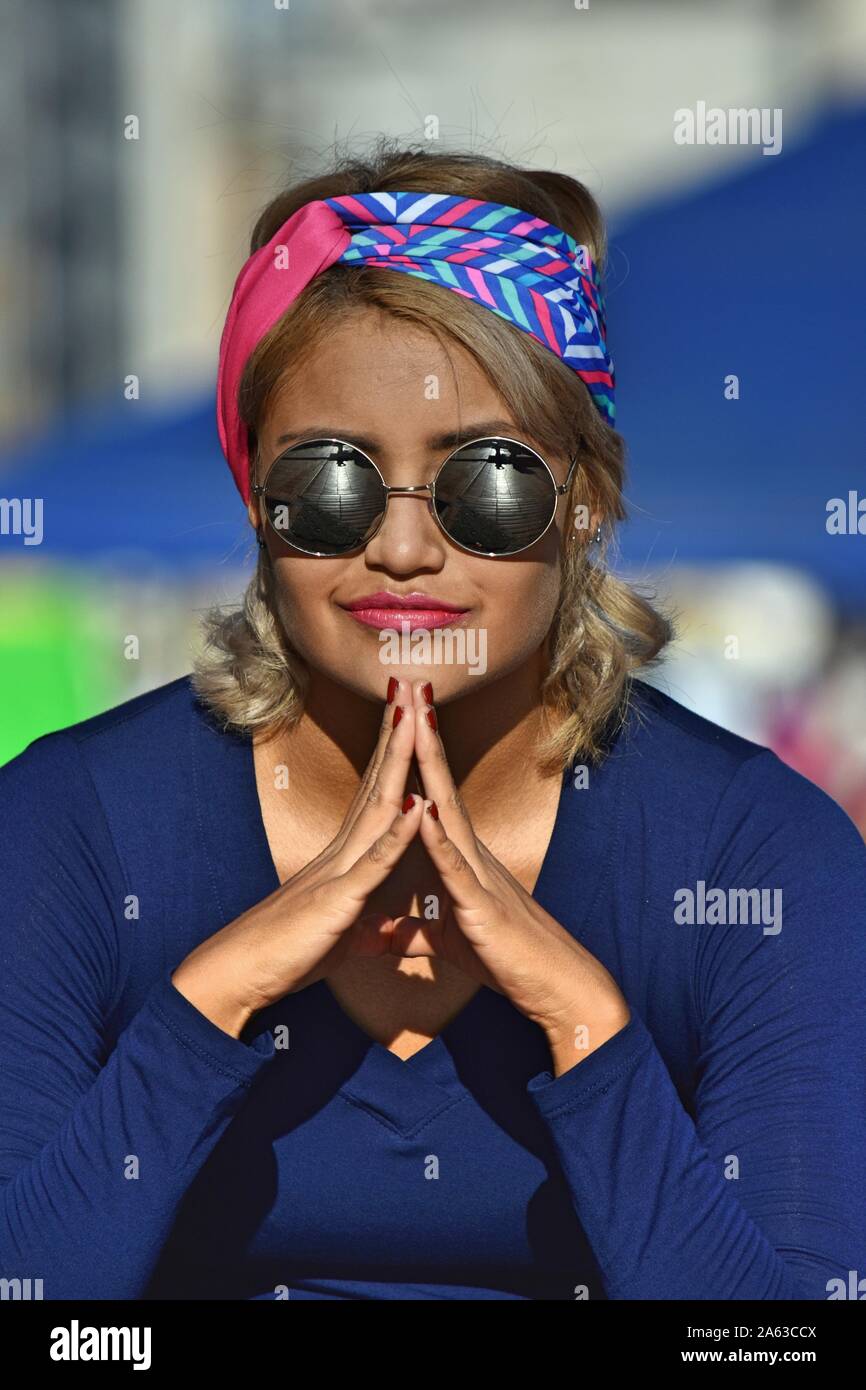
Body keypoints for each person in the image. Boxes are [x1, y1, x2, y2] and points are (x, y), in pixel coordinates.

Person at [1, 142, 865, 1302]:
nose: (403, 549)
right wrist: (210, 1001)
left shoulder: (758, 852)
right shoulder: (70, 826)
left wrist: (588, 1029)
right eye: (329, 482)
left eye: (488, 484)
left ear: (586, 495)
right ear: (253, 496)